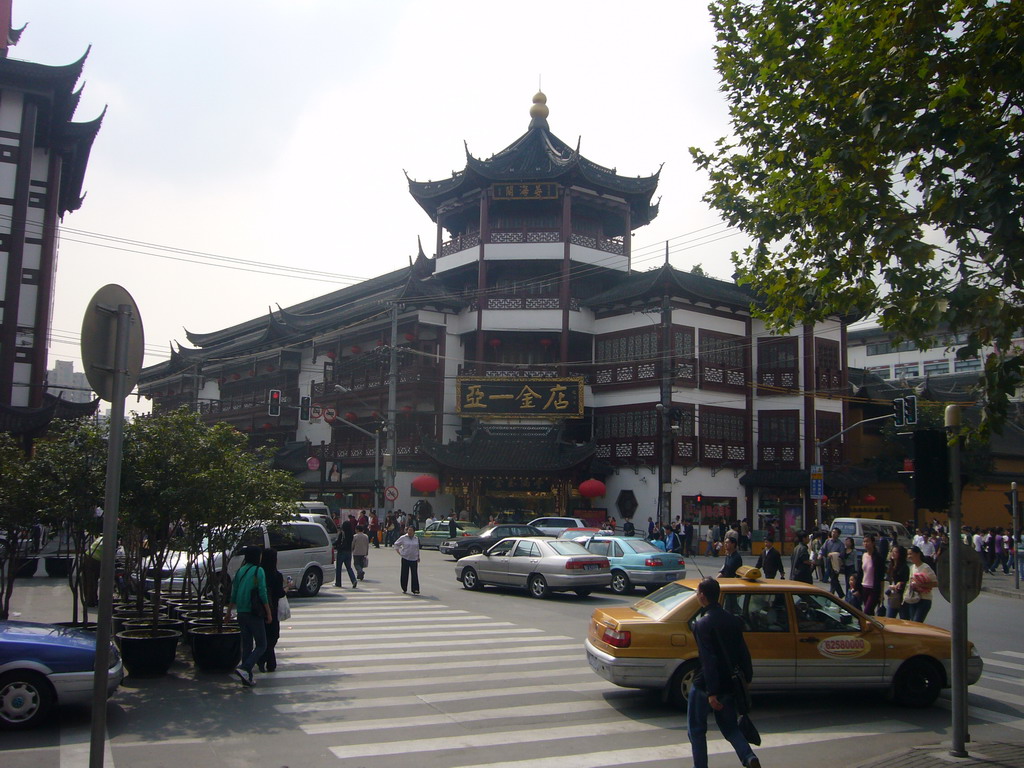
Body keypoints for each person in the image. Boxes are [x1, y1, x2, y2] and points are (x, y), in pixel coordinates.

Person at [688, 578, 761, 768]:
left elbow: (708, 660)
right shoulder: (733, 620)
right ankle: (748, 757)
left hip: (705, 684)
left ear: (703, 596)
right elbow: (744, 652)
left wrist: (712, 692)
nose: (697, 595)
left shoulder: (702, 624)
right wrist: (747, 677)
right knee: (730, 728)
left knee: (696, 730)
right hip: (729, 683)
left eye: (697, 592)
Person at [227, 546, 272, 687]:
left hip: (241, 612)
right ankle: (245, 668)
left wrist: (228, 612)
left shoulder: (241, 570)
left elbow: (234, 593)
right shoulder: (259, 571)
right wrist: (269, 613)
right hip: (254, 613)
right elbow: (262, 593)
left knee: (246, 645)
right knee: (262, 645)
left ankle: (247, 678)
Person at [257, 548, 286, 673]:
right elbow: (280, 593)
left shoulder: (259, 573)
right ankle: (267, 661)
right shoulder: (276, 575)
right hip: (272, 609)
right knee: (273, 636)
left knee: (265, 636)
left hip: (258, 609)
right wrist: (287, 588)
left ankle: (266, 660)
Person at [904, 545, 938, 623]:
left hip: (924, 599)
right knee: (913, 623)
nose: (909, 556)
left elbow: (935, 583)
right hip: (913, 598)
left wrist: (920, 585)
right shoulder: (912, 567)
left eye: (911, 554)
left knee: (917, 622)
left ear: (918, 554)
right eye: (908, 554)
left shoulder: (925, 567)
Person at [860, 534, 884, 616]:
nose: (866, 544)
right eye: (864, 542)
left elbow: (881, 577)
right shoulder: (864, 555)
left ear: (873, 543)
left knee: (866, 611)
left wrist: (881, 593)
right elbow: (861, 572)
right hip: (864, 587)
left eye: (868, 541)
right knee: (870, 613)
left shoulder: (878, 557)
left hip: (874, 589)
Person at [394, 524, 421, 594]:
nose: (409, 532)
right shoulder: (403, 537)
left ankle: (415, 589)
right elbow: (396, 544)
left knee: (414, 574)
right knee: (404, 573)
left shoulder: (416, 538)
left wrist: (418, 557)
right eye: (409, 530)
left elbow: (417, 548)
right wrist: (400, 552)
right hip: (405, 558)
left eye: (411, 530)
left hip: (414, 558)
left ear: (414, 532)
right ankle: (404, 587)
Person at [885, 544, 910, 619]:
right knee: (889, 619)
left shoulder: (904, 567)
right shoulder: (891, 565)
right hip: (892, 596)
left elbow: (906, 581)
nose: (893, 553)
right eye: (892, 551)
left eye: (895, 552)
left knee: (905, 620)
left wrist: (900, 584)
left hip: (902, 597)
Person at [820, 528, 845, 596]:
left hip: (836, 562)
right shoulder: (828, 541)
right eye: (833, 532)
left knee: (834, 578)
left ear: (838, 534)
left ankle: (832, 593)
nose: (833, 533)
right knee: (834, 578)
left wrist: (834, 554)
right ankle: (840, 594)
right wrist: (820, 555)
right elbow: (823, 549)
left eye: (835, 532)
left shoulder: (840, 544)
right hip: (828, 561)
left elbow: (842, 554)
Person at [335, 517, 357, 588]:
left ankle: (338, 583)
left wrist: (332, 545)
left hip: (341, 552)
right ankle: (353, 580)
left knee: (339, 568)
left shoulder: (342, 533)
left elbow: (338, 541)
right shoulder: (351, 534)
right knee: (349, 567)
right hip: (348, 552)